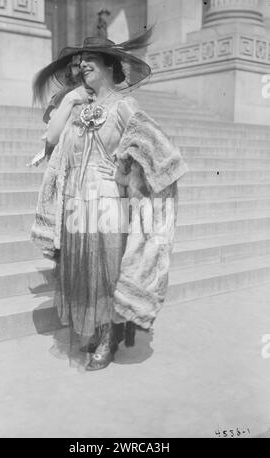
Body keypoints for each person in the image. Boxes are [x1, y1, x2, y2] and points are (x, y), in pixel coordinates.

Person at [31, 30, 188, 371]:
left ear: (108, 66)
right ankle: (102, 330)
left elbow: (155, 146)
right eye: (80, 61)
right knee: (84, 271)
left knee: (106, 272)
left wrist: (135, 168)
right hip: (77, 202)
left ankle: (108, 336)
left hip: (107, 203)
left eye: (90, 59)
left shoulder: (123, 106)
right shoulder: (80, 105)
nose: (82, 65)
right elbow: (54, 138)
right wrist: (71, 99)